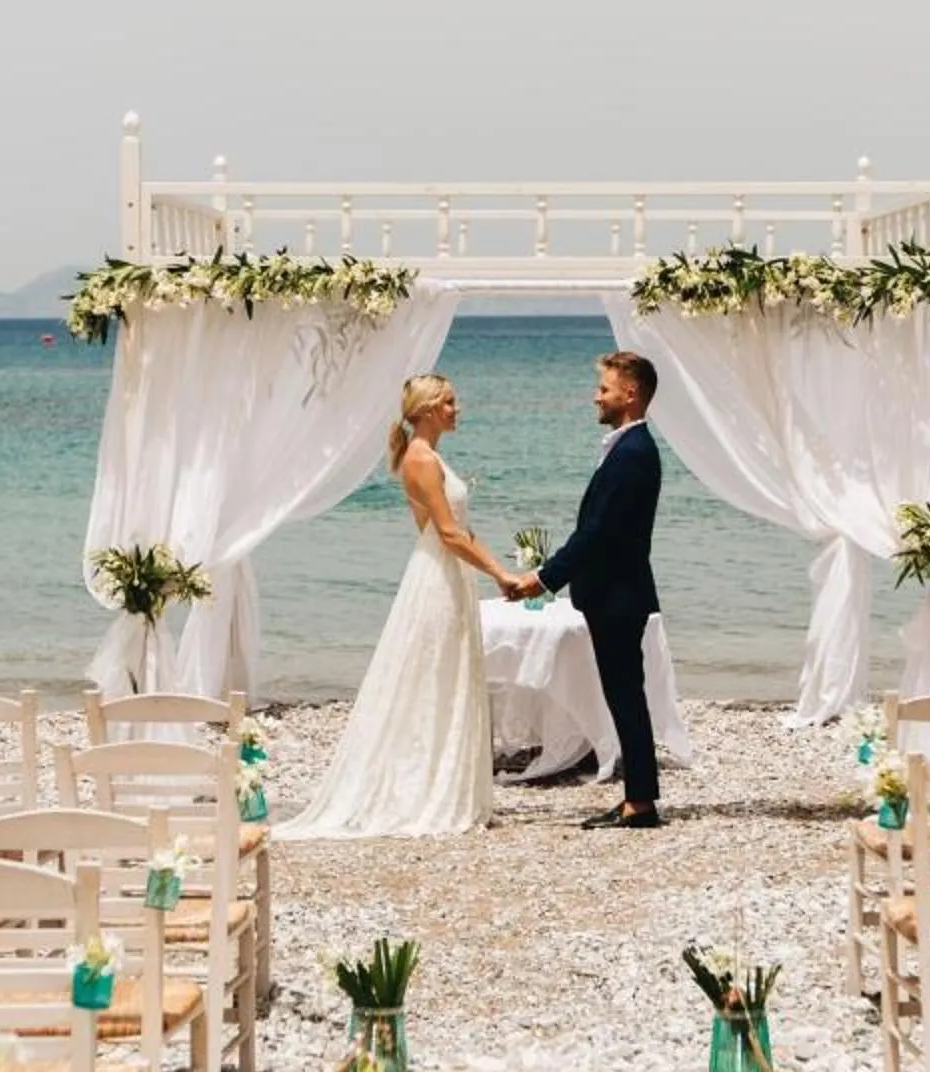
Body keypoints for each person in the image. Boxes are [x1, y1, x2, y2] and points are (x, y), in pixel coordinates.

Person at [274, 373, 505, 839]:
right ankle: (423, 787)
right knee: (434, 674)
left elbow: (456, 530)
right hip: (438, 575)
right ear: (427, 410)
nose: (457, 409)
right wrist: (501, 575)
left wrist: (497, 568)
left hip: (446, 572)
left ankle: (443, 780)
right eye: (449, 402)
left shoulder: (429, 456)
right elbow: (449, 533)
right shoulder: (421, 459)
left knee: (446, 673)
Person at [501, 350, 664, 829]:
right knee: (624, 696)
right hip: (615, 595)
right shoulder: (627, 447)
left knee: (626, 697)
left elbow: (597, 533)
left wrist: (542, 578)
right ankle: (640, 797)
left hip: (619, 597)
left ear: (629, 394)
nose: (596, 396)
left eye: (604, 389)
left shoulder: (633, 453)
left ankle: (640, 803)